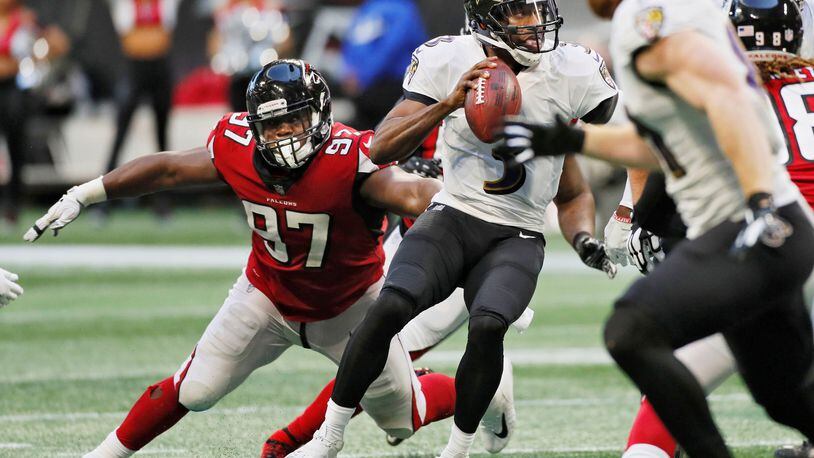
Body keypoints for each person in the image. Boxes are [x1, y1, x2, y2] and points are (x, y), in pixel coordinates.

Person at [24, 59, 459, 457]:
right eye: (271, 126)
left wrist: (469, 216)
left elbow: (415, 193)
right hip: (266, 297)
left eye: (294, 120)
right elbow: (168, 169)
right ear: (254, 126)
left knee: (400, 420)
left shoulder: (352, 158)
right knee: (195, 389)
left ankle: (486, 389)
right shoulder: (236, 146)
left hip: (352, 310)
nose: (283, 134)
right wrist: (86, 193)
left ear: (321, 114)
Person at [296, 1, 620, 457]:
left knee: (488, 326)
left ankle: (459, 449)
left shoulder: (571, 69)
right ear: (487, 20)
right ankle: (328, 438)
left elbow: (580, 176)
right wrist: (449, 102)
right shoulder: (449, 58)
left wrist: (590, 234)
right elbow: (382, 147)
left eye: (535, 11)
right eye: (518, 14)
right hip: (454, 212)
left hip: (518, 231)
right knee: (389, 306)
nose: (532, 25)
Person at [497, 0, 814, 454]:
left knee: (632, 330)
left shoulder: (650, 19)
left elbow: (729, 98)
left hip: (758, 227)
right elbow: (664, 142)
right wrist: (572, 139)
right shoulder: (674, 21)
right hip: (769, 230)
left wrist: (761, 200)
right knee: (785, 399)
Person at [607, 1, 814, 457]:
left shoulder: (715, 85)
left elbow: (665, 170)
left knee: (664, 375)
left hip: (775, 250)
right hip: (792, 245)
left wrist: (641, 221)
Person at [105, 0, 178, 174]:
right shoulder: (125, 4)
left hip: (160, 65)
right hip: (135, 67)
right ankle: (107, 179)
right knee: (122, 125)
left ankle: (165, 187)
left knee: (162, 127)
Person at [340, 0, 427, 130]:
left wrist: (362, 77)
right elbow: (350, 44)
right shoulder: (368, 8)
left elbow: (393, 47)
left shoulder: (402, 9)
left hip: (393, 87)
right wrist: (348, 73)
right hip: (365, 90)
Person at [0, 0, 36, 226]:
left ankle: (13, 204)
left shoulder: (21, 20)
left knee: (16, 147)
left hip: (11, 88)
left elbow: (27, 54)